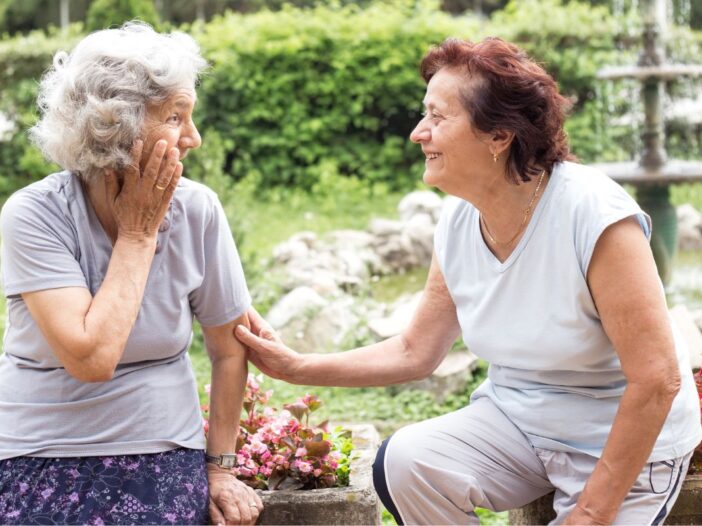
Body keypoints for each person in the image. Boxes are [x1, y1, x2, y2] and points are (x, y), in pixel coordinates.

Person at [235, 37, 702, 525]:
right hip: (520, 426)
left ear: (499, 136)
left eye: (438, 117)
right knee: (407, 461)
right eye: (424, 115)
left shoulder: (595, 217)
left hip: (619, 438)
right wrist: (297, 366)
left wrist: (590, 513)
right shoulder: (460, 221)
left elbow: (656, 379)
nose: (419, 133)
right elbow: (416, 351)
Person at [0, 22, 262, 525]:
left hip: (159, 444)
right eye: (175, 117)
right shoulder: (33, 214)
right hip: (32, 448)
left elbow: (230, 351)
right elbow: (91, 356)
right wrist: (139, 235)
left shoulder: (198, 210)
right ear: (114, 127)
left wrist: (221, 469)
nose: (194, 138)